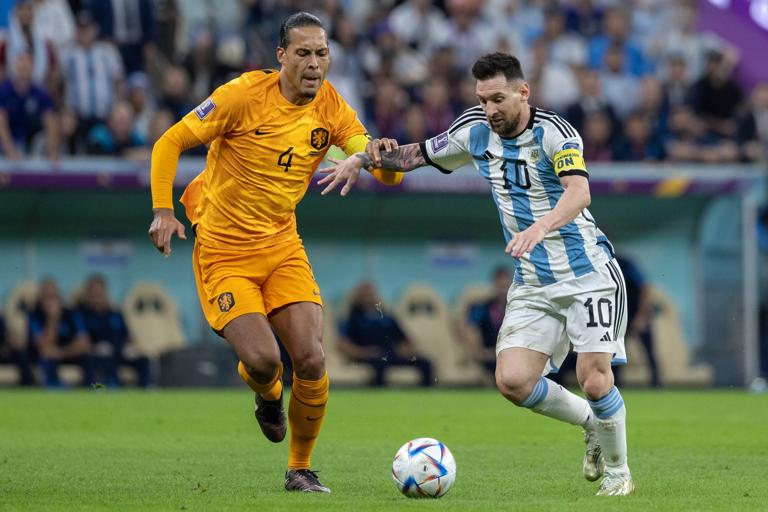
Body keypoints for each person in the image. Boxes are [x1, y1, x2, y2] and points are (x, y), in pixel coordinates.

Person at [321, 52, 634, 496]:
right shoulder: (474, 130)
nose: (490, 109)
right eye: (483, 99)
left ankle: (620, 476)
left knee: (595, 377)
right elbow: (416, 157)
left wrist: (540, 226)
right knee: (512, 381)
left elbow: (579, 192)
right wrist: (364, 159)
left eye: (498, 99)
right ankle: (591, 422)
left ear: (524, 92)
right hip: (534, 280)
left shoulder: (556, 133)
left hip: (588, 273)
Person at [147, 12, 402, 493]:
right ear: (281, 56)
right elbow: (170, 142)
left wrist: (375, 156)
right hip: (224, 251)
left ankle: (300, 468)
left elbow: (387, 173)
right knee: (266, 362)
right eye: (303, 53)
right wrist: (163, 210)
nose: (313, 63)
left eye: (322, 53)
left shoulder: (330, 107)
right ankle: (266, 395)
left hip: (282, 246)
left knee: (311, 357)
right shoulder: (242, 96)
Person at [337, 281, 433, 387]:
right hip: (369, 357)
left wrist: (406, 350)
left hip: (390, 355)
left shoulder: (387, 318)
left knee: (425, 363)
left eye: (370, 294)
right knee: (379, 365)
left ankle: (426, 398)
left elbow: (406, 340)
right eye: (364, 294)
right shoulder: (352, 318)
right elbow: (343, 343)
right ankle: (380, 399)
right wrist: (364, 352)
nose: (368, 298)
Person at [77, 274, 151, 388]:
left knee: (143, 360)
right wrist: (94, 348)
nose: (97, 297)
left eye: (99, 293)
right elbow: (81, 340)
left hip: (119, 351)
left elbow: (127, 336)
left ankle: (145, 390)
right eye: (93, 294)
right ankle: (103, 388)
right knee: (100, 360)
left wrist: (130, 347)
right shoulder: (81, 314)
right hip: (95, 354)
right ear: (88, 295)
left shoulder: (116, 314)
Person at [28, 278, 93, 387]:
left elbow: (84, 343)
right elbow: (44, 347)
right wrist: (53, 318)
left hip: (68, 353)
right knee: (46, 359)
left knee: (89, 357)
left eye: (54, 297)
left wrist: (61, 353)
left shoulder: (72, 314)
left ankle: (95, 387)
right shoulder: (34, 316)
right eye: (47, 297)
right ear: (40, 298)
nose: (52, 302)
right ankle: (54, 387)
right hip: (46, 358)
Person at [456, 267, 512, 376]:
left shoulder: (518, 308)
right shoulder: (483, 307)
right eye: (500, 286)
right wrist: (478, 351)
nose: (503, 291)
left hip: (512, 354)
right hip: (490, 355)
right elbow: (464, 327)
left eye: (505, 286)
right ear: (494, 285)